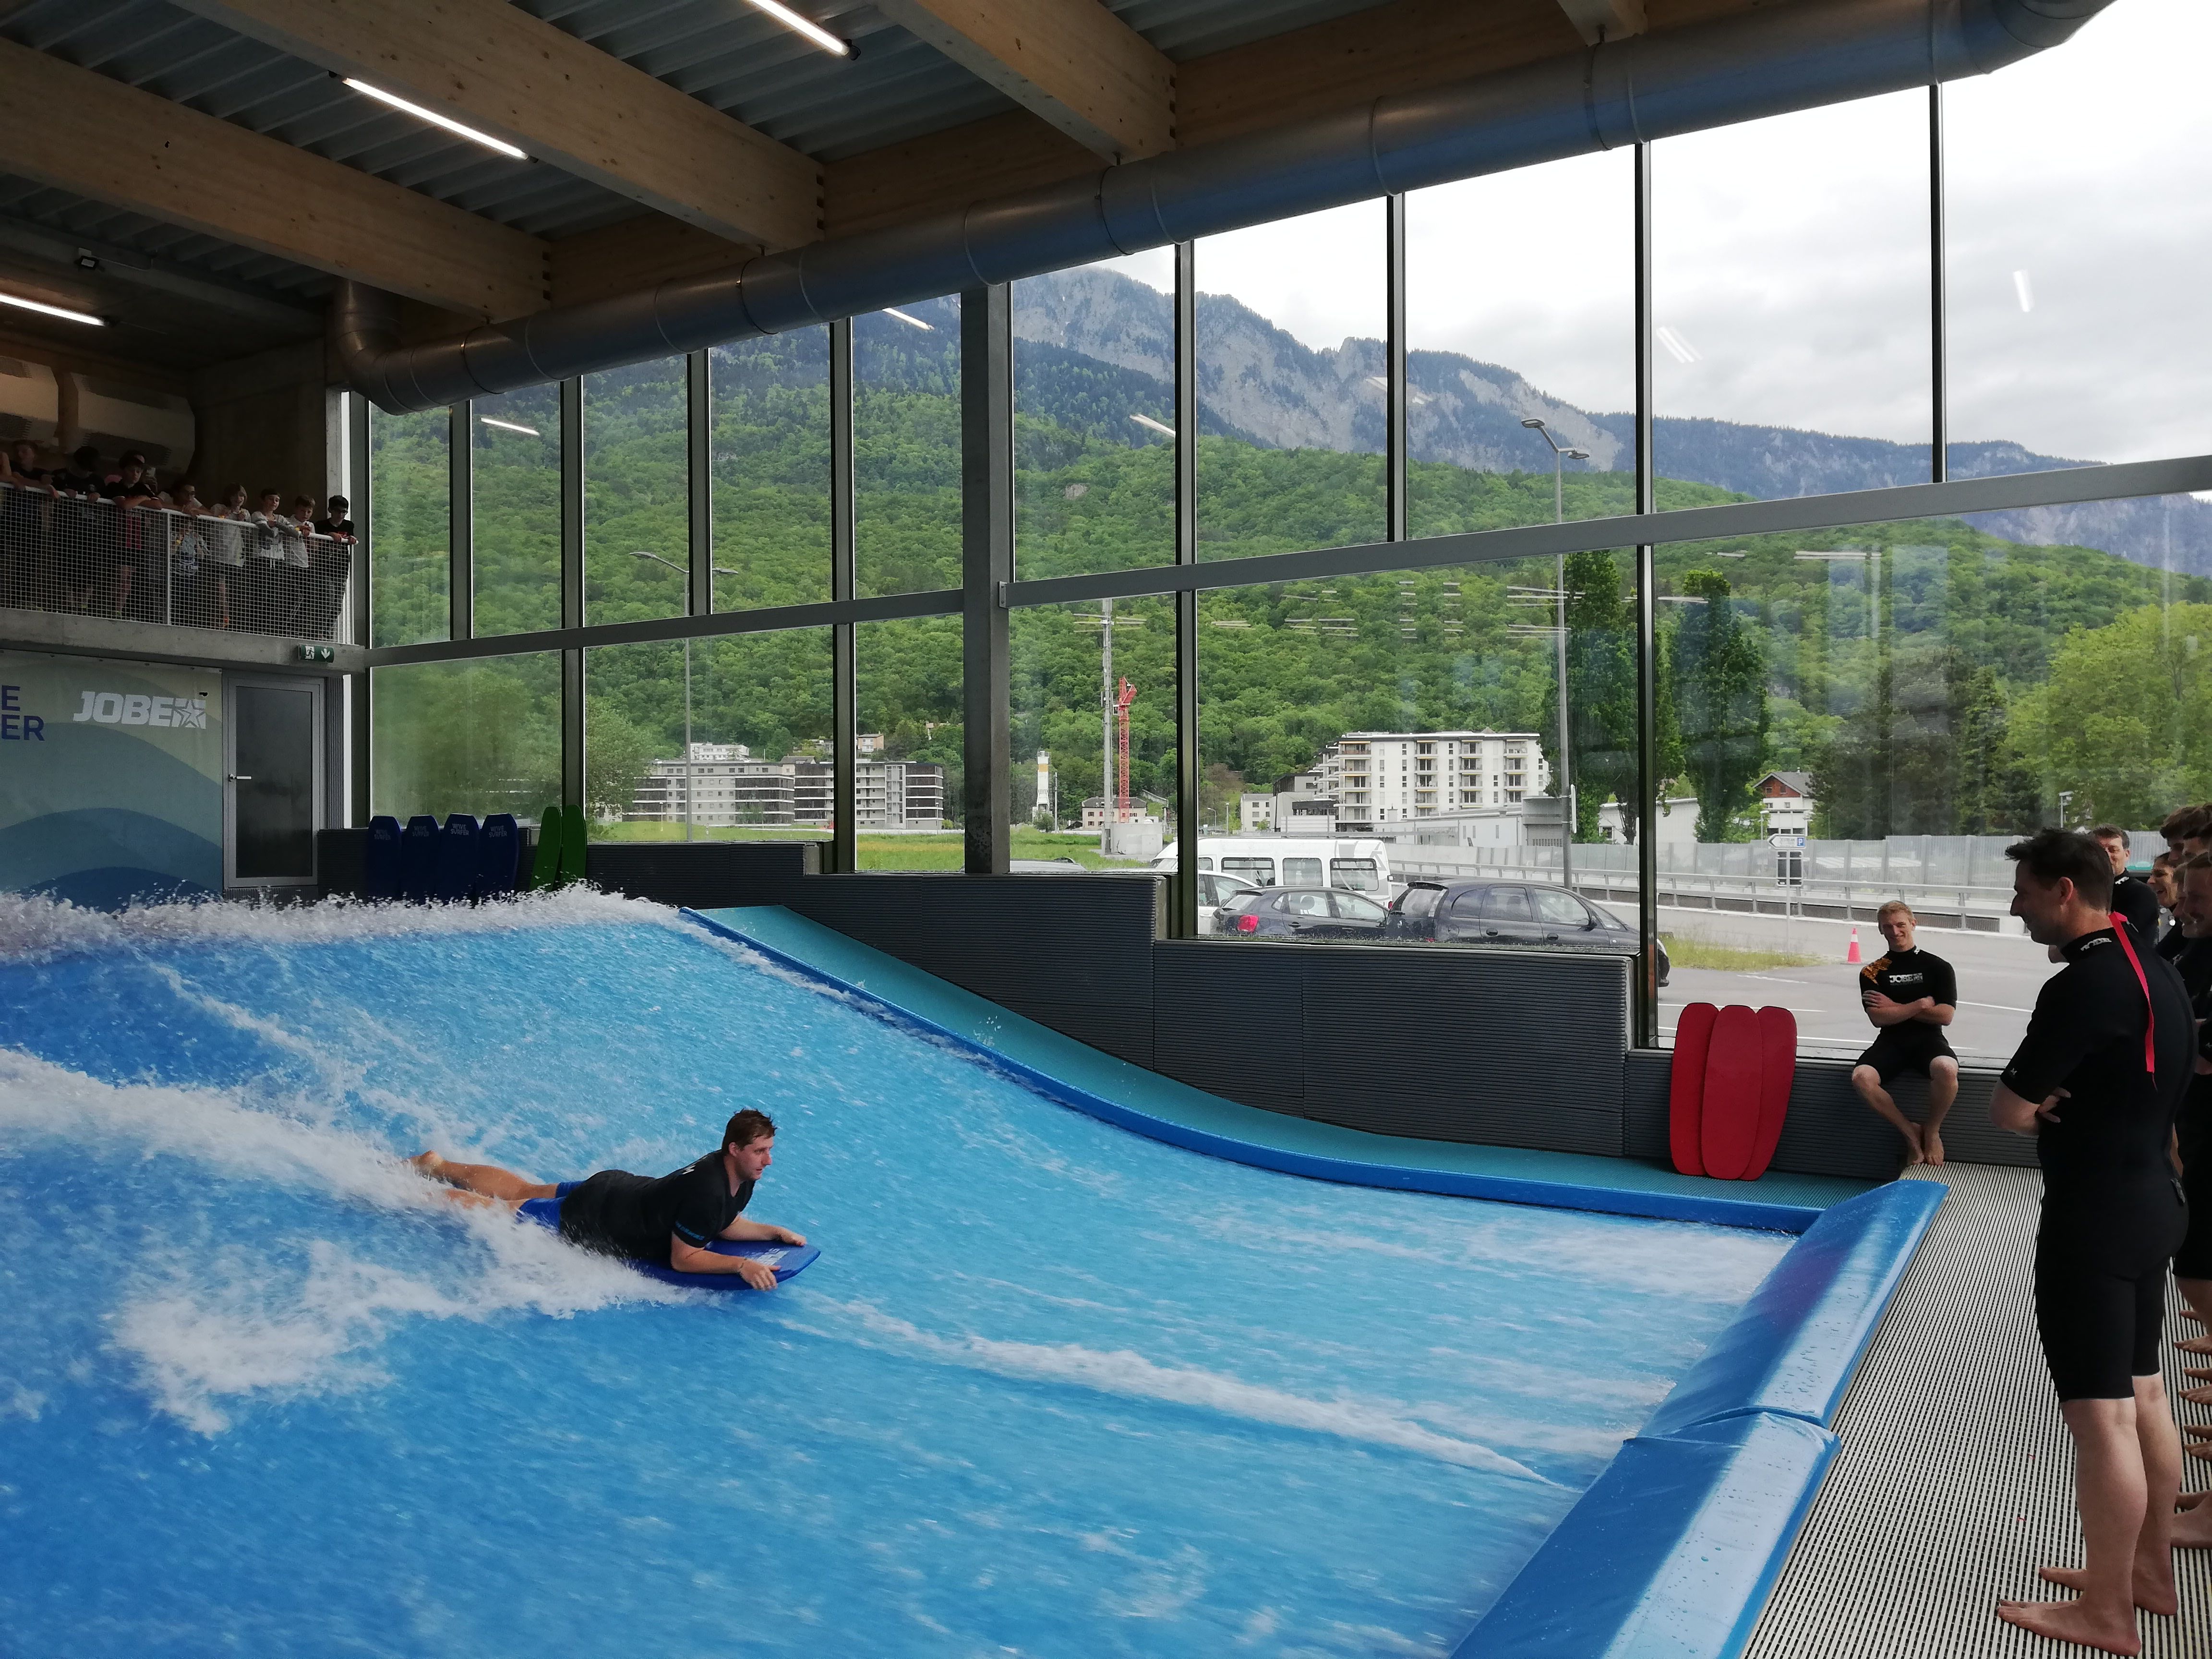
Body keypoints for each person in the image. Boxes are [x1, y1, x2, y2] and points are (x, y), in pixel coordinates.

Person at [1990, 828, 2193, 1649]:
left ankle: (2105, 1610)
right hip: (2154, 1200)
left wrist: (2044, 1102)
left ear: (2064, 891)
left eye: (2025, 892)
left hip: (2094, 1219)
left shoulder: (2082, 986)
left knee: (2098, 1416)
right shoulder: (2151, 964)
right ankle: (2145, 1571)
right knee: (2144, 1395)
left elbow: (2007, 1107)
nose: (2016, 905)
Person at [409, 1108, 804, 1291]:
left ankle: (437, 1163)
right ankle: (414, 1194)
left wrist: (772, 1232)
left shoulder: (738, 1173)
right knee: (503, 1212)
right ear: (734, 1149)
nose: (768, 1160)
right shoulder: (708, 1190)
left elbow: (723, 1221)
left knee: (525, 1189)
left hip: (616, 1187)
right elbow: (684, 1259)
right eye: (760, 1151)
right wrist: (741, 1267)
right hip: (597, 1216)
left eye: (769, 1150)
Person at [1849, 900, 1960, 1166]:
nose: (1895, 931)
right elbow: (1878, 1018)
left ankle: (1932, 1130)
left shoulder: (1938, 967)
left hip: (1929, 1040)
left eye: (1900, 924)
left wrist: (1896, 1008)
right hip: (1892, 1042)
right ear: (1880, 930)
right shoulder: (1872, 972)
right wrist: (1921, 1004)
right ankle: (1910, 1132)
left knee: (1947, 1069)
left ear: (1913, 924)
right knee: (1861, 1078)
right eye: (1888, 927)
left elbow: (1945, 1016)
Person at [2094, 827, 2162, 942]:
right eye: (2098, 850)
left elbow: (2117, 941)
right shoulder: (2081, 891)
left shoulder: (2141, 894)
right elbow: (2055, 954)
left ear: (2127, 854)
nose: (2105, 856)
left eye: (2113, 850)